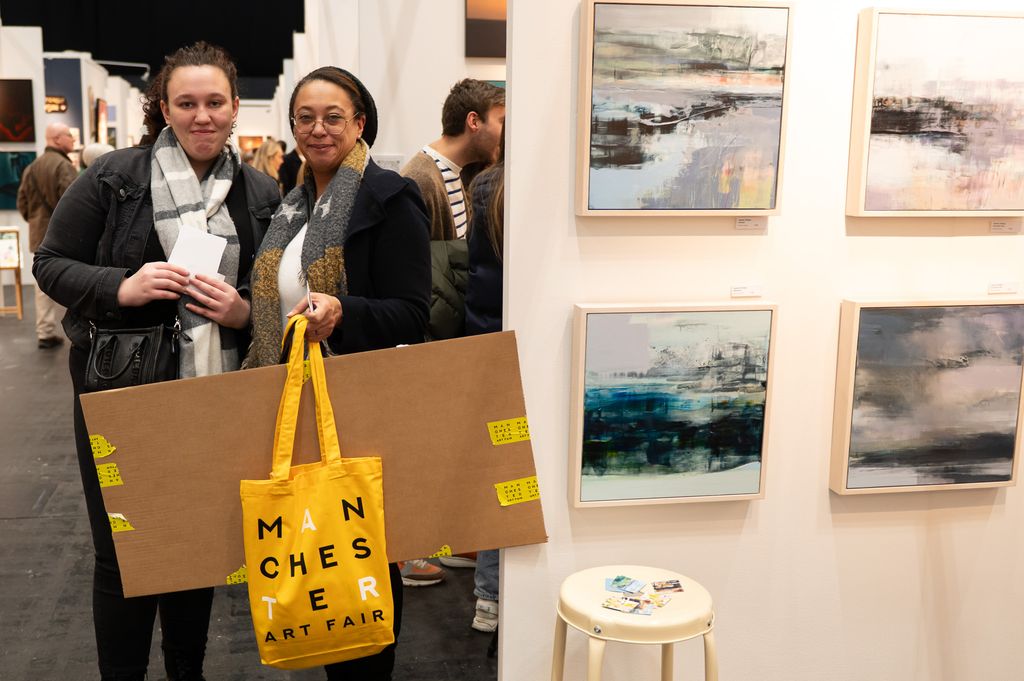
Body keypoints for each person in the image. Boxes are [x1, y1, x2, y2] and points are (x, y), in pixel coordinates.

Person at [32, 42, 281, 681]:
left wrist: (244, 311)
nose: (203, 115)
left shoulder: (260, 191)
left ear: (234, 107)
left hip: (218, 397)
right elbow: (50, 264)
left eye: (215, 102)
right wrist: (122, 285)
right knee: (123, 549)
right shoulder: (114, 176)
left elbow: (277, 291)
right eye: (186, 103)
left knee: (195, 546)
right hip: (123, 392)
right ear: (164, 109)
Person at [245, 65, 430, 681]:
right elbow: (283, 301)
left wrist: (344, 312)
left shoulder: (389, 197)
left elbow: (413, 313)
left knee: (365, 550)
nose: (318, 129)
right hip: (298, 395)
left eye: (333, 117)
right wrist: (242, 310)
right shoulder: (293, 203)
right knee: (320, 545)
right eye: (305, 118)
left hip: (359, 399)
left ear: (360, 123)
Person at [396, 78, 505, 586]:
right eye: (501, 120)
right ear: (474, 122)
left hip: (449, 331)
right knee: (421, 444)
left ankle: (446, 538)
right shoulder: (421, 177)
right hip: (428, 336)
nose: (507, 131)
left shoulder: (462, 175)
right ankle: (407, 552)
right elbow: (418, 270)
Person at [463, 128, 505, 633]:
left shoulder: (486, 186)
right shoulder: (503, 187)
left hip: (487, 340)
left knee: (503, 471)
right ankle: (494, 594)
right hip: (515, 345)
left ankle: (489, 598)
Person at [16, 122, 78, 348]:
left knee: (41, 285)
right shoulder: (64, 167)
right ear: (57, 139)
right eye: (69, 135)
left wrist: (35, 221)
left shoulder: (32, 167)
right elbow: (75, 205)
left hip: (38, 234)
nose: (73, 139)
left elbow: (22, 202)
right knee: (75, 280)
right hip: (63, 236)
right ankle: (78, 330)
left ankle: (45, 331)